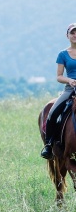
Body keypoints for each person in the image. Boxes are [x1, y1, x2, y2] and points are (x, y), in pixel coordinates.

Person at [41, 23, 76, 159]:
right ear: (67, 36)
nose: (75, 35)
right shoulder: (63, 54)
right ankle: (49, 144)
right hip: (70, 88)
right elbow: (59, 76)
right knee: (53, 112)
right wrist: (69, 81)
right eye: (72, 33)